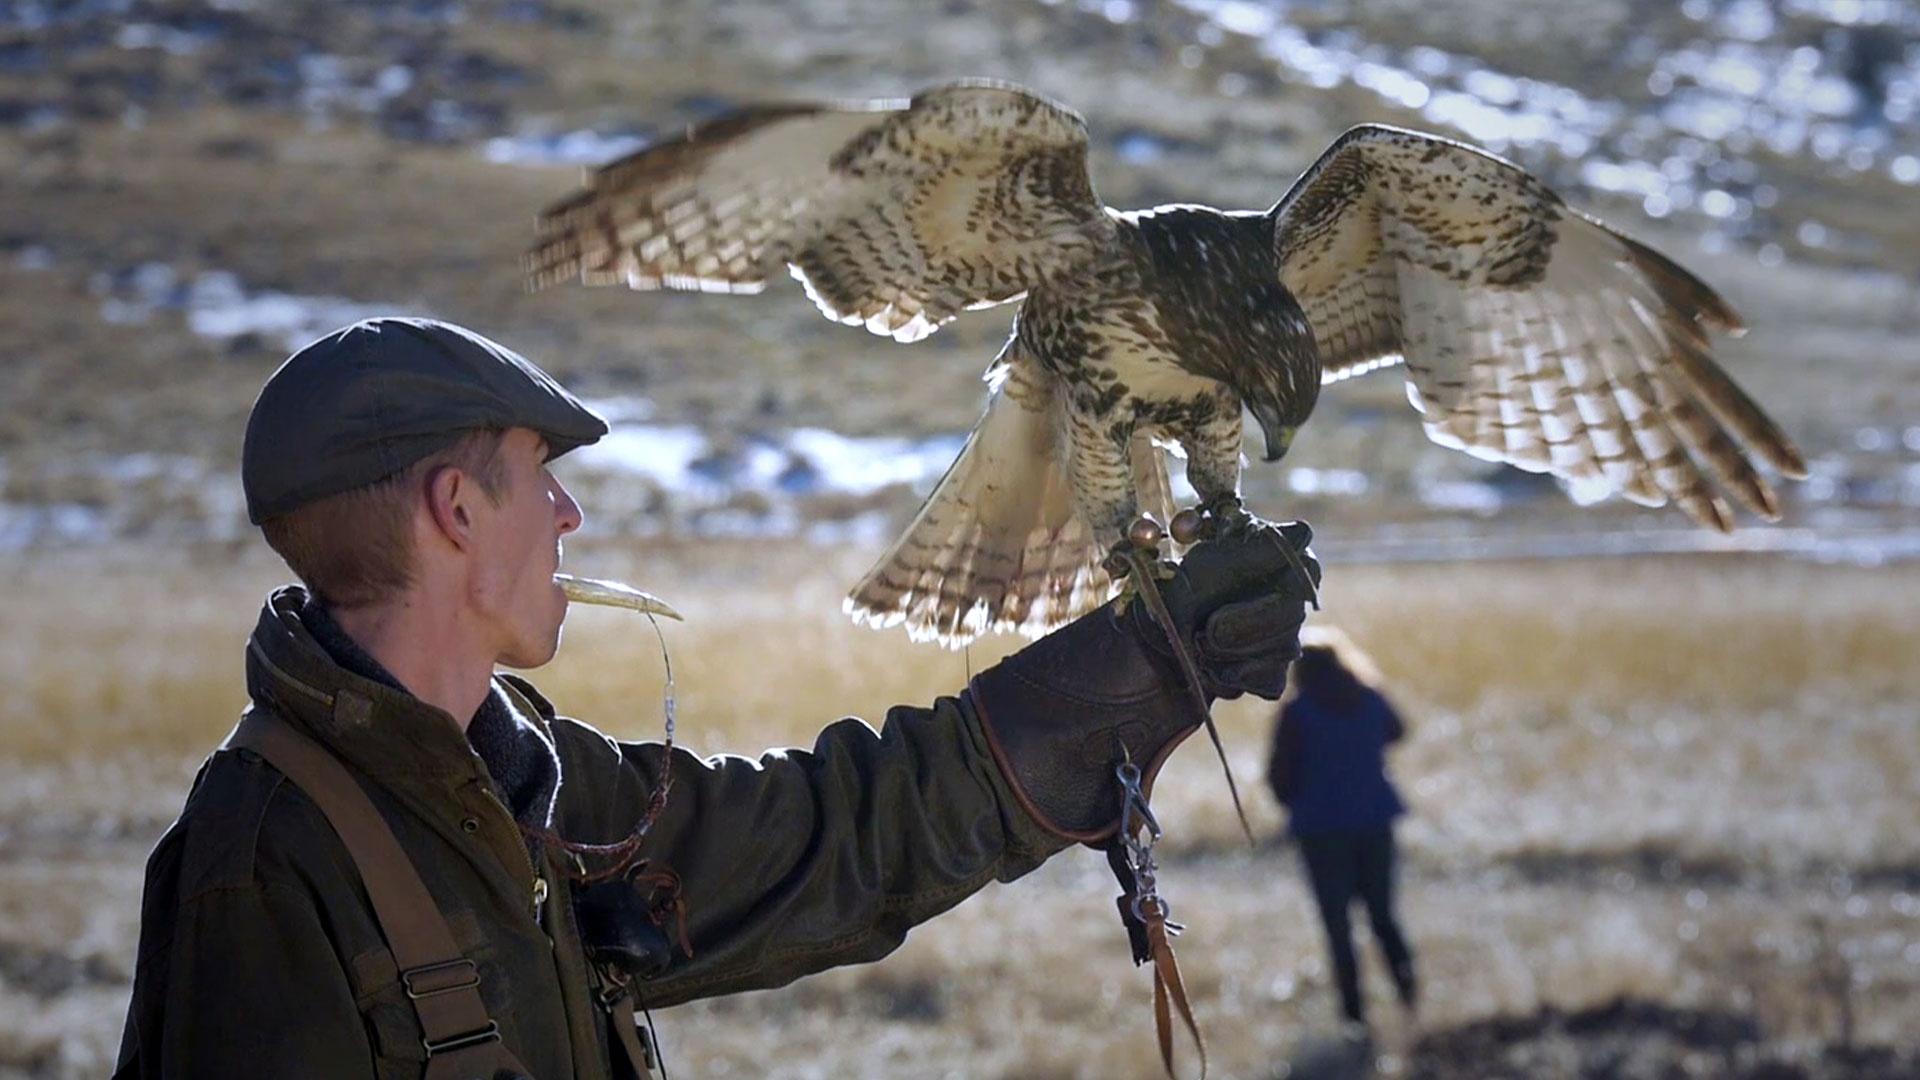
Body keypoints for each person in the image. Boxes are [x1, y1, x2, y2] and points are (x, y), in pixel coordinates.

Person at [113, 316, 1320, 1079]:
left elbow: (829, 840)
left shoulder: (529, 782)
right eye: (542, 479)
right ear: (456, 509)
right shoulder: (263, 863)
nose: (569, 519)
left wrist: (1139, 665)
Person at [1266, 627, 1417, 1030]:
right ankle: (1409, 999)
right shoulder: (1369, 698)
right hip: (1374, 820)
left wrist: (1296, 801)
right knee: (1384, 916)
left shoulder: (1296, 713)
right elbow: (1398, 732)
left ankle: (1354, 1017)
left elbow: (1278, 778)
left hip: (1320, 830)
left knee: (1338, 927)